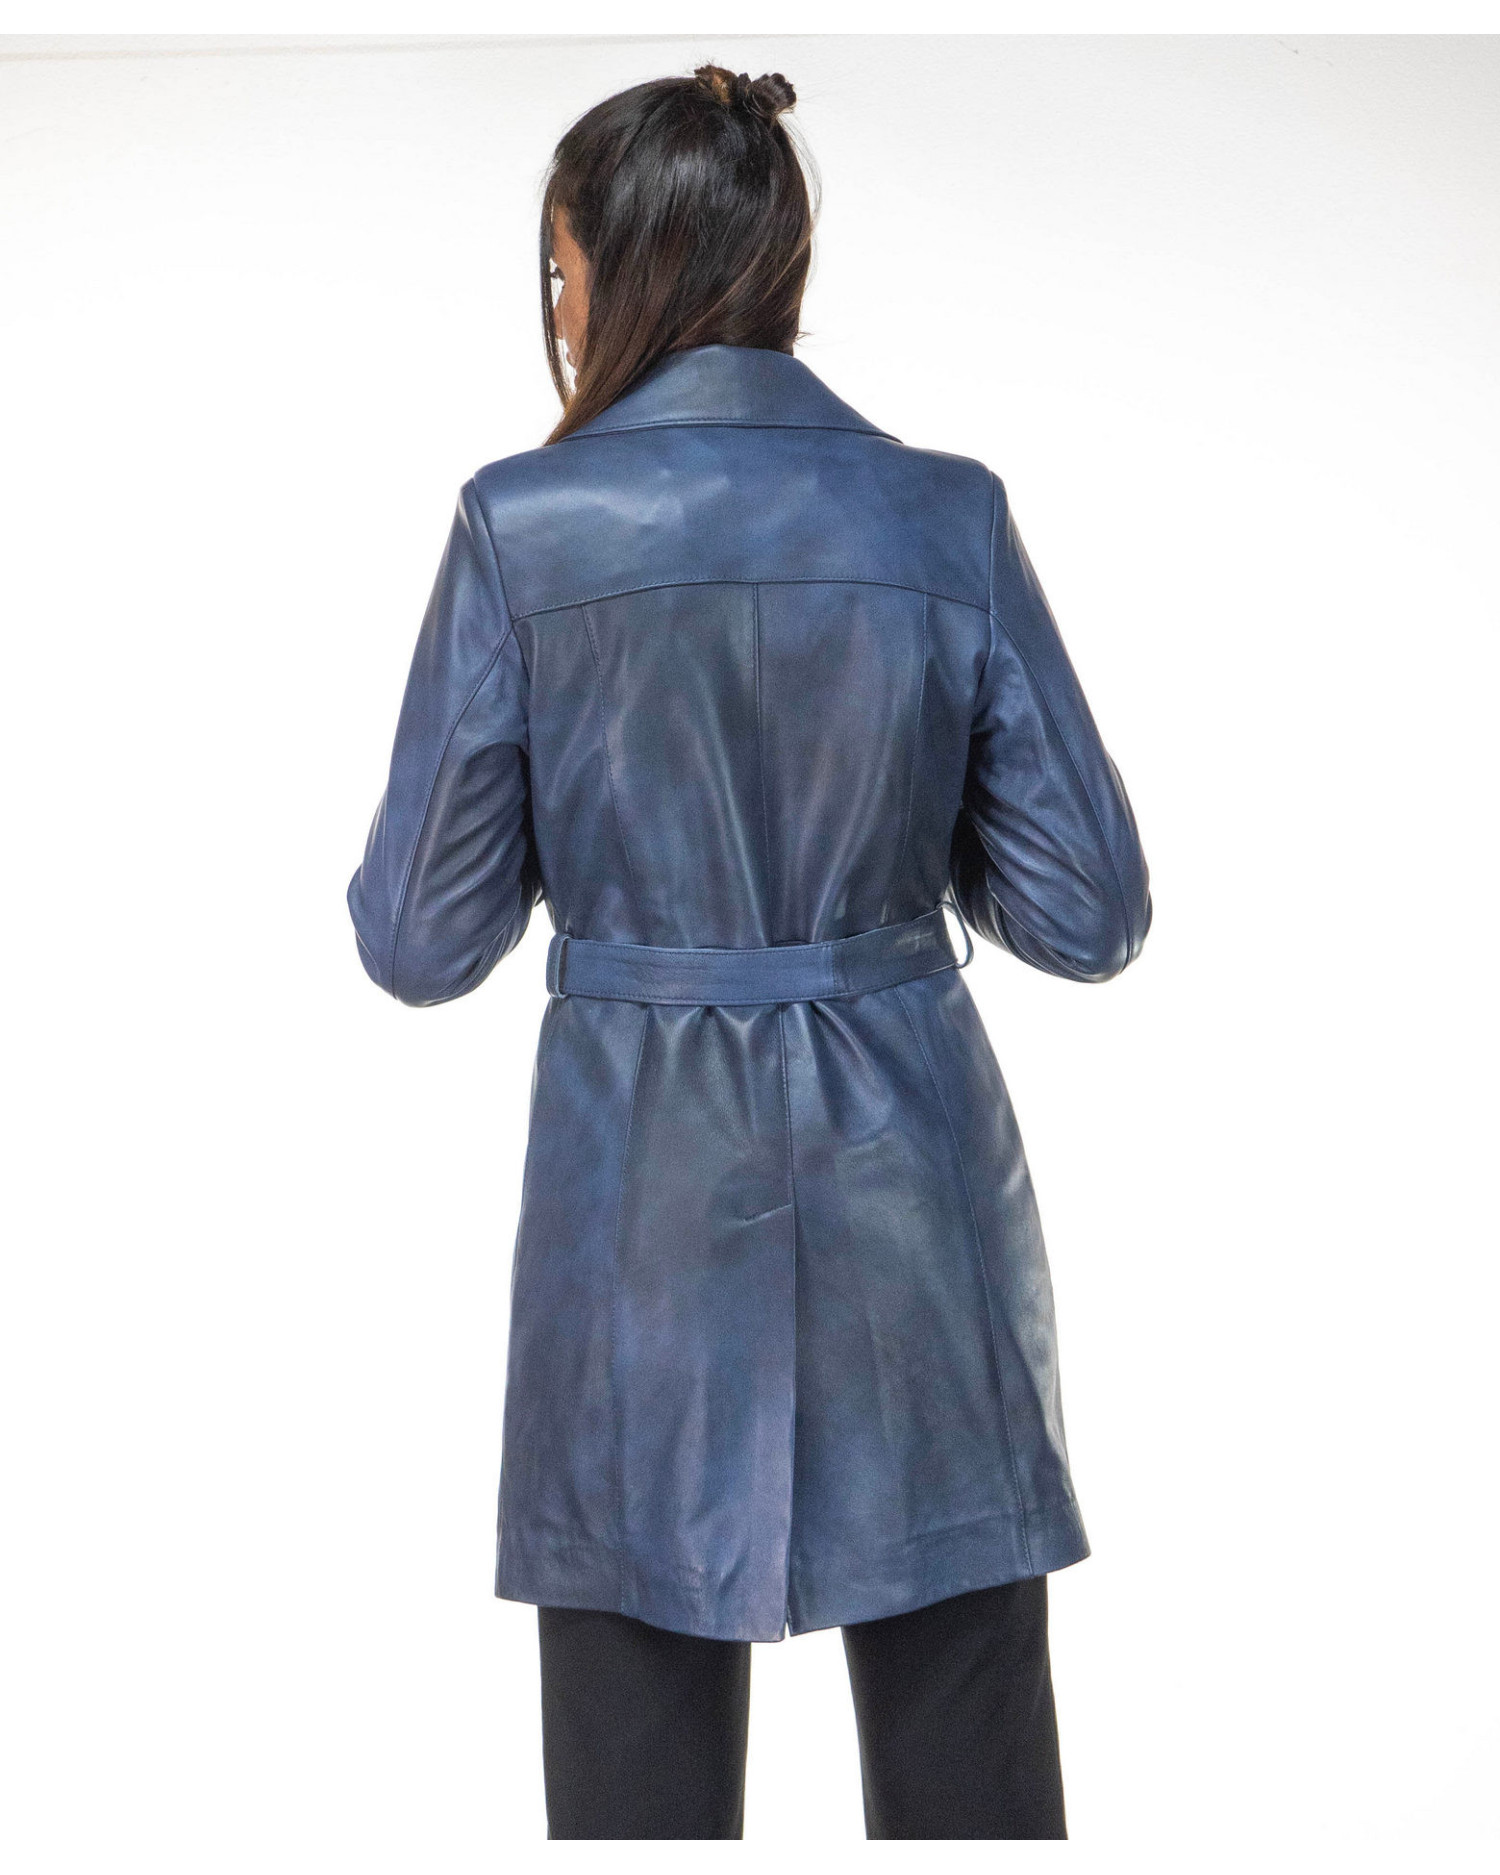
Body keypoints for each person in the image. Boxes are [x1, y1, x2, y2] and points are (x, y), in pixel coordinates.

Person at [348, 62, 1151, 1841]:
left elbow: (419, 938)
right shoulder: (944, 518)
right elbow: (1088, 912)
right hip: (915, 1195)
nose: (558, 313)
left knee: (635, 1803)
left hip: (634, 1215)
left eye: (558, 272)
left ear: (616, 268)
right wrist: (889, 839)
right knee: (970, 1783)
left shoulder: (522, 530)